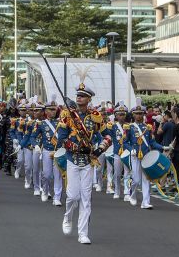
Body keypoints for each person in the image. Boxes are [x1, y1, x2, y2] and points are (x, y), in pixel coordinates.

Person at [57, 81, 110, 245]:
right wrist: (76, 147)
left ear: (88, 99)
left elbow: (108, 136)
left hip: (88, 162)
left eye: (82, 96)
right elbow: (61, 138)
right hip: (72, 160)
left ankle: (83, 233)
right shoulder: (67, 115)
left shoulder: (96, 116)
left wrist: (98, 150)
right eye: (78, 96)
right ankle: (67, 217)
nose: (78, 98)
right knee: (72, 196)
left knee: (86, 198)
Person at [127, 99, 166, 209]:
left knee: (146, 179)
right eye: (137, 114)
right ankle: (132, 194)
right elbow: (125, 142)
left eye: (141, 114)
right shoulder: (129, 127)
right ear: (133, 115)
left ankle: (145, 202)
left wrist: (163, 147)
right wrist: (131, 149)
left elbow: (152, 142)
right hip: (135, 156)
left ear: (143, 114)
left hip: (145, 156)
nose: (139, 116)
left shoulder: (147, 127)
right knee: (136, 179)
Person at [33, 94, 61, 205]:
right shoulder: (41, 124)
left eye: (54, 110)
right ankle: (45, 191)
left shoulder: (61, 123)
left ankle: (57, 197)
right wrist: (36, 145)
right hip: (46, 151)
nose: (52, 112)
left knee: (58, 175)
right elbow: (33, 136)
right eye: (50, 109)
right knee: (47, 174)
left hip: (58, 152)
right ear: (45, 111)